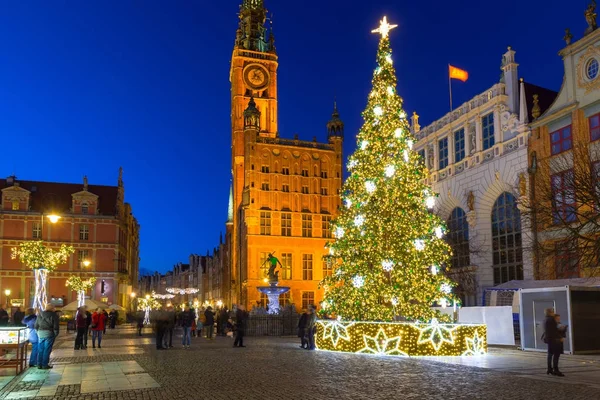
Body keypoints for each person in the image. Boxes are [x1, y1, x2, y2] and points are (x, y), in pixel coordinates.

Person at [35, 304, 59, 369]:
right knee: (47, 349)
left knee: (40, 349)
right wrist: (55, 334)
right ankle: (44, 364)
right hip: (49, 333)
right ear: (52, 309)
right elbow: (56, 326)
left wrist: (37, 332)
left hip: (40, 333)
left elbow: (36, 325)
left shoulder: (40, 314)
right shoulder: (54, 315)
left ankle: (39, 364)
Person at [543, 308, 564, 377]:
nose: (554, 312)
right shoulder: (552, 319)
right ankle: (556, 370)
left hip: (549, 340)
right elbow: (554, 330)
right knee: (556, 355)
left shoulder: (545, 319)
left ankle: (549, 369)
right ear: (550, 312)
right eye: (553, 311)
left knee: (550, 354)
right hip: (555, 340)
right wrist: (560, 337)